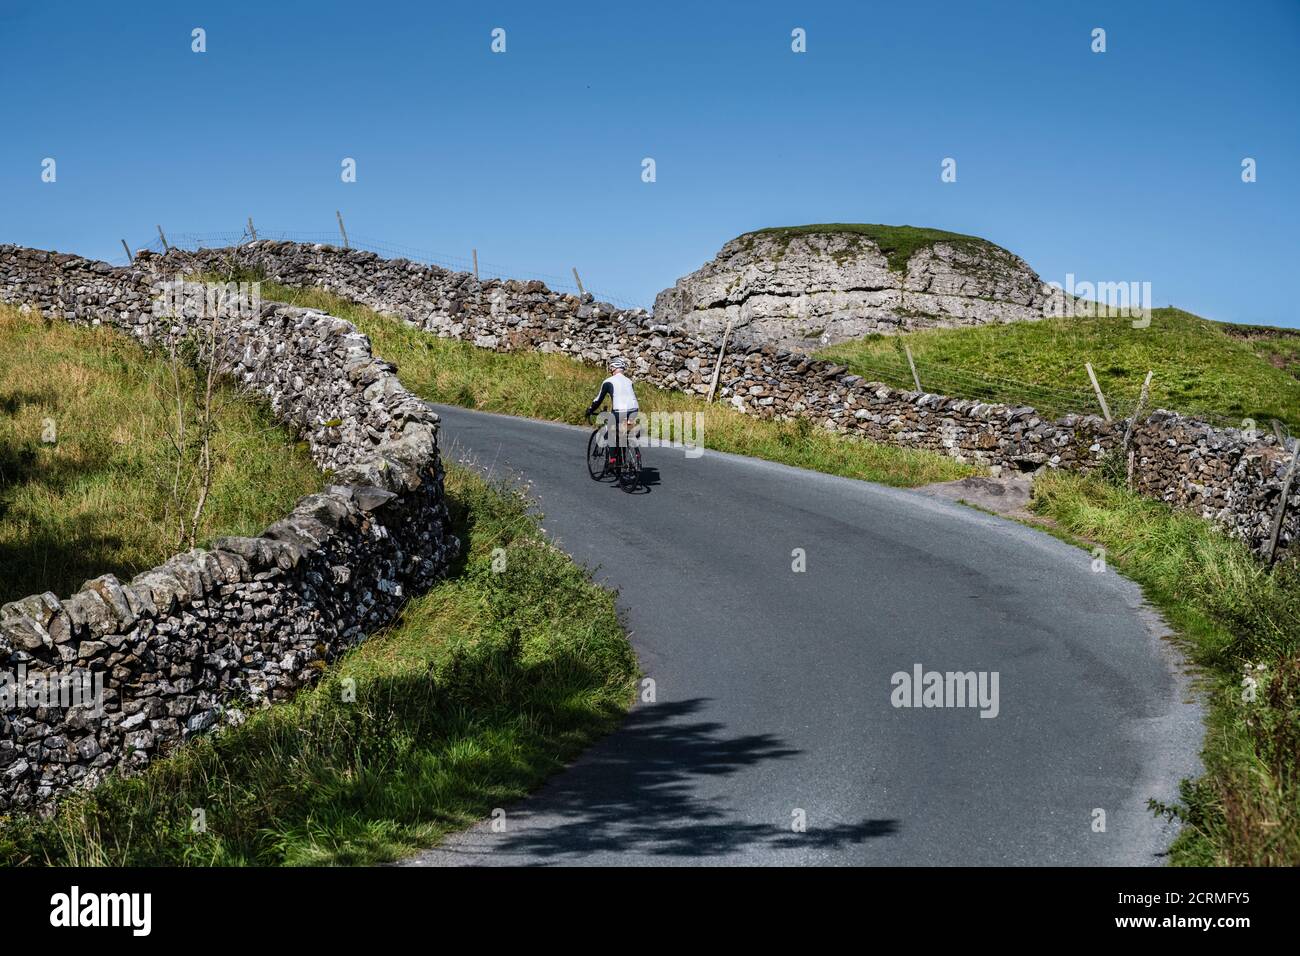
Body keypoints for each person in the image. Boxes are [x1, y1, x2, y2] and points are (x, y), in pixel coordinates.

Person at [586, 356, 640, 461]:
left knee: (610, 432)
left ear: (613, 368)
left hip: (619, 411)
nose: (610, 370)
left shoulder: (608, 381)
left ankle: (613, 459)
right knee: (623, 432)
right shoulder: (629, 381)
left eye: (611, 368)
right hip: (634, 410)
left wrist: (590, 410)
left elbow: (598, 400)